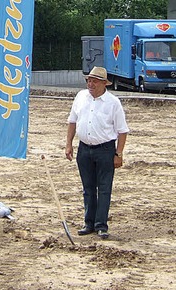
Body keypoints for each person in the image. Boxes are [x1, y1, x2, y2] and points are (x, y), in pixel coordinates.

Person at [65, 66, 129, 239]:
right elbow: (72, 121)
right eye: (88, 80)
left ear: (103, 84)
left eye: (94, 81)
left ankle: (101, 225)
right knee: (88, 188)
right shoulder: (80, 97)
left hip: (105, 150)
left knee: (104, 189)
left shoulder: (113, 103)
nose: (90, 84)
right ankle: (89, 223)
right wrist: (68, 144)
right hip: (84, 148)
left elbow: (122, 131)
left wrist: (119, 154)